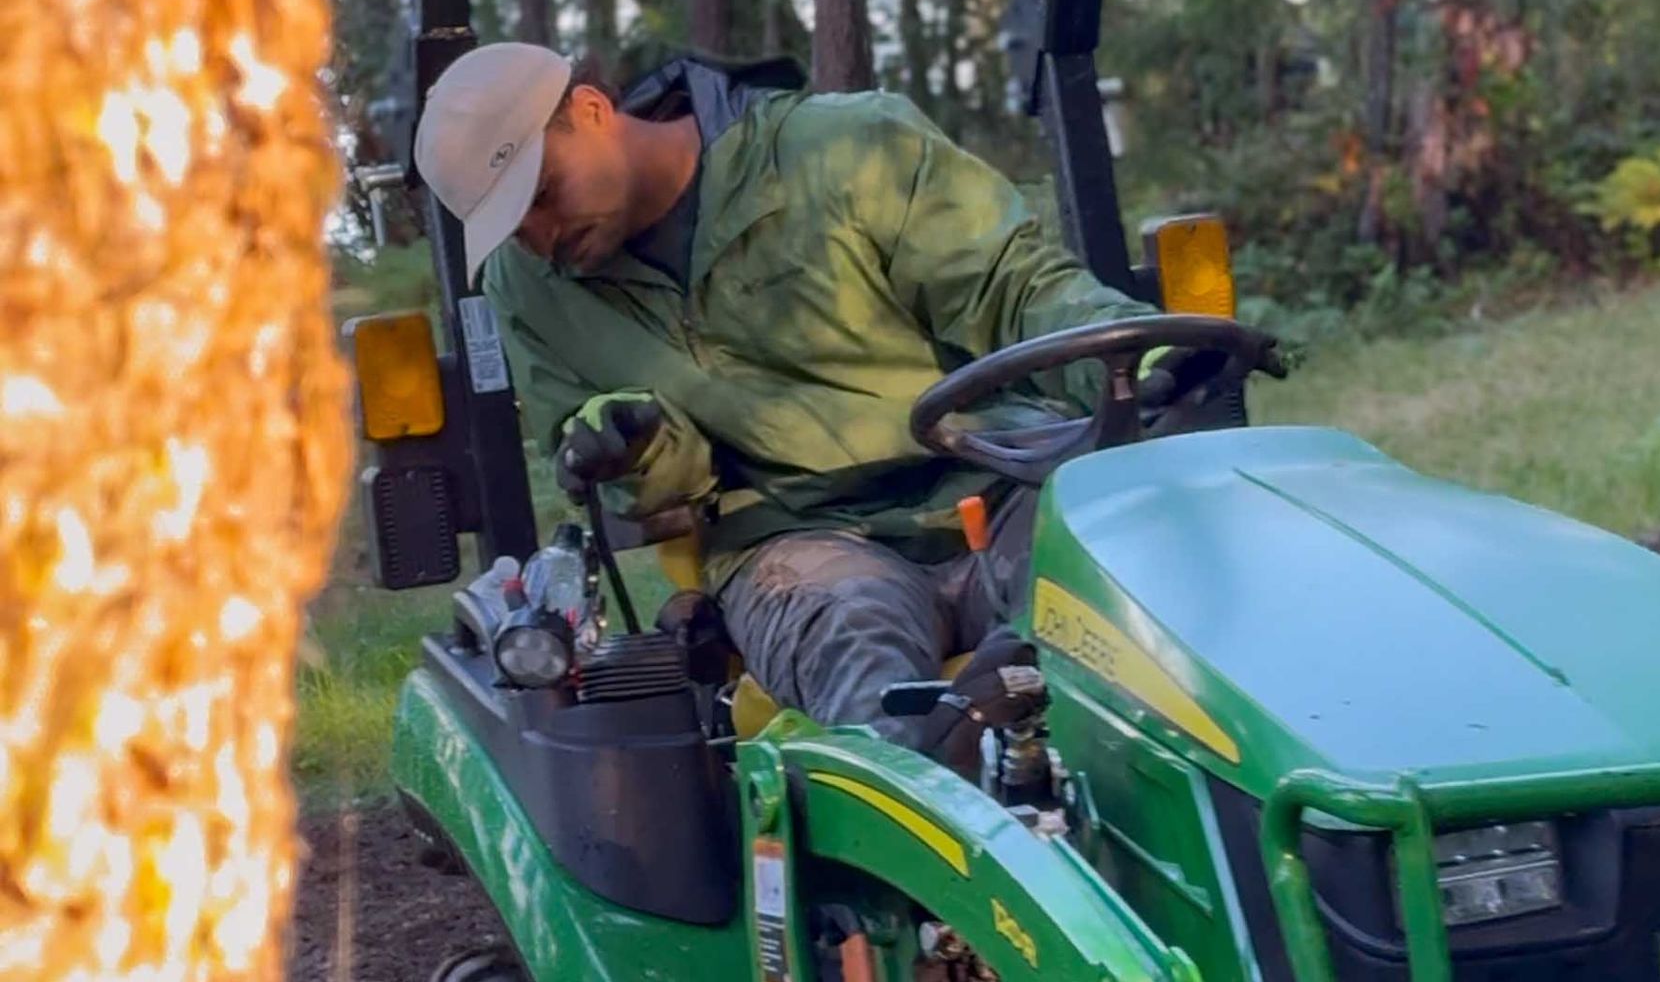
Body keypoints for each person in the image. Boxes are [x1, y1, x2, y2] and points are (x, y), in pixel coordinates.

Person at [413, 43, 1178, 760]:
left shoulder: (842, 150)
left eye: (544, 194)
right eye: (517, 228)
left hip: (1001, 484)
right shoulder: (529, 294)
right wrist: (635, 451)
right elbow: (630, 473)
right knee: (882, 695)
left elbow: (1016, 289)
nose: (543, 238)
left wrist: (1139, 352)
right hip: (795, 541)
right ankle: (926, 884)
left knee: (1141, 624)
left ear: (589, 110)